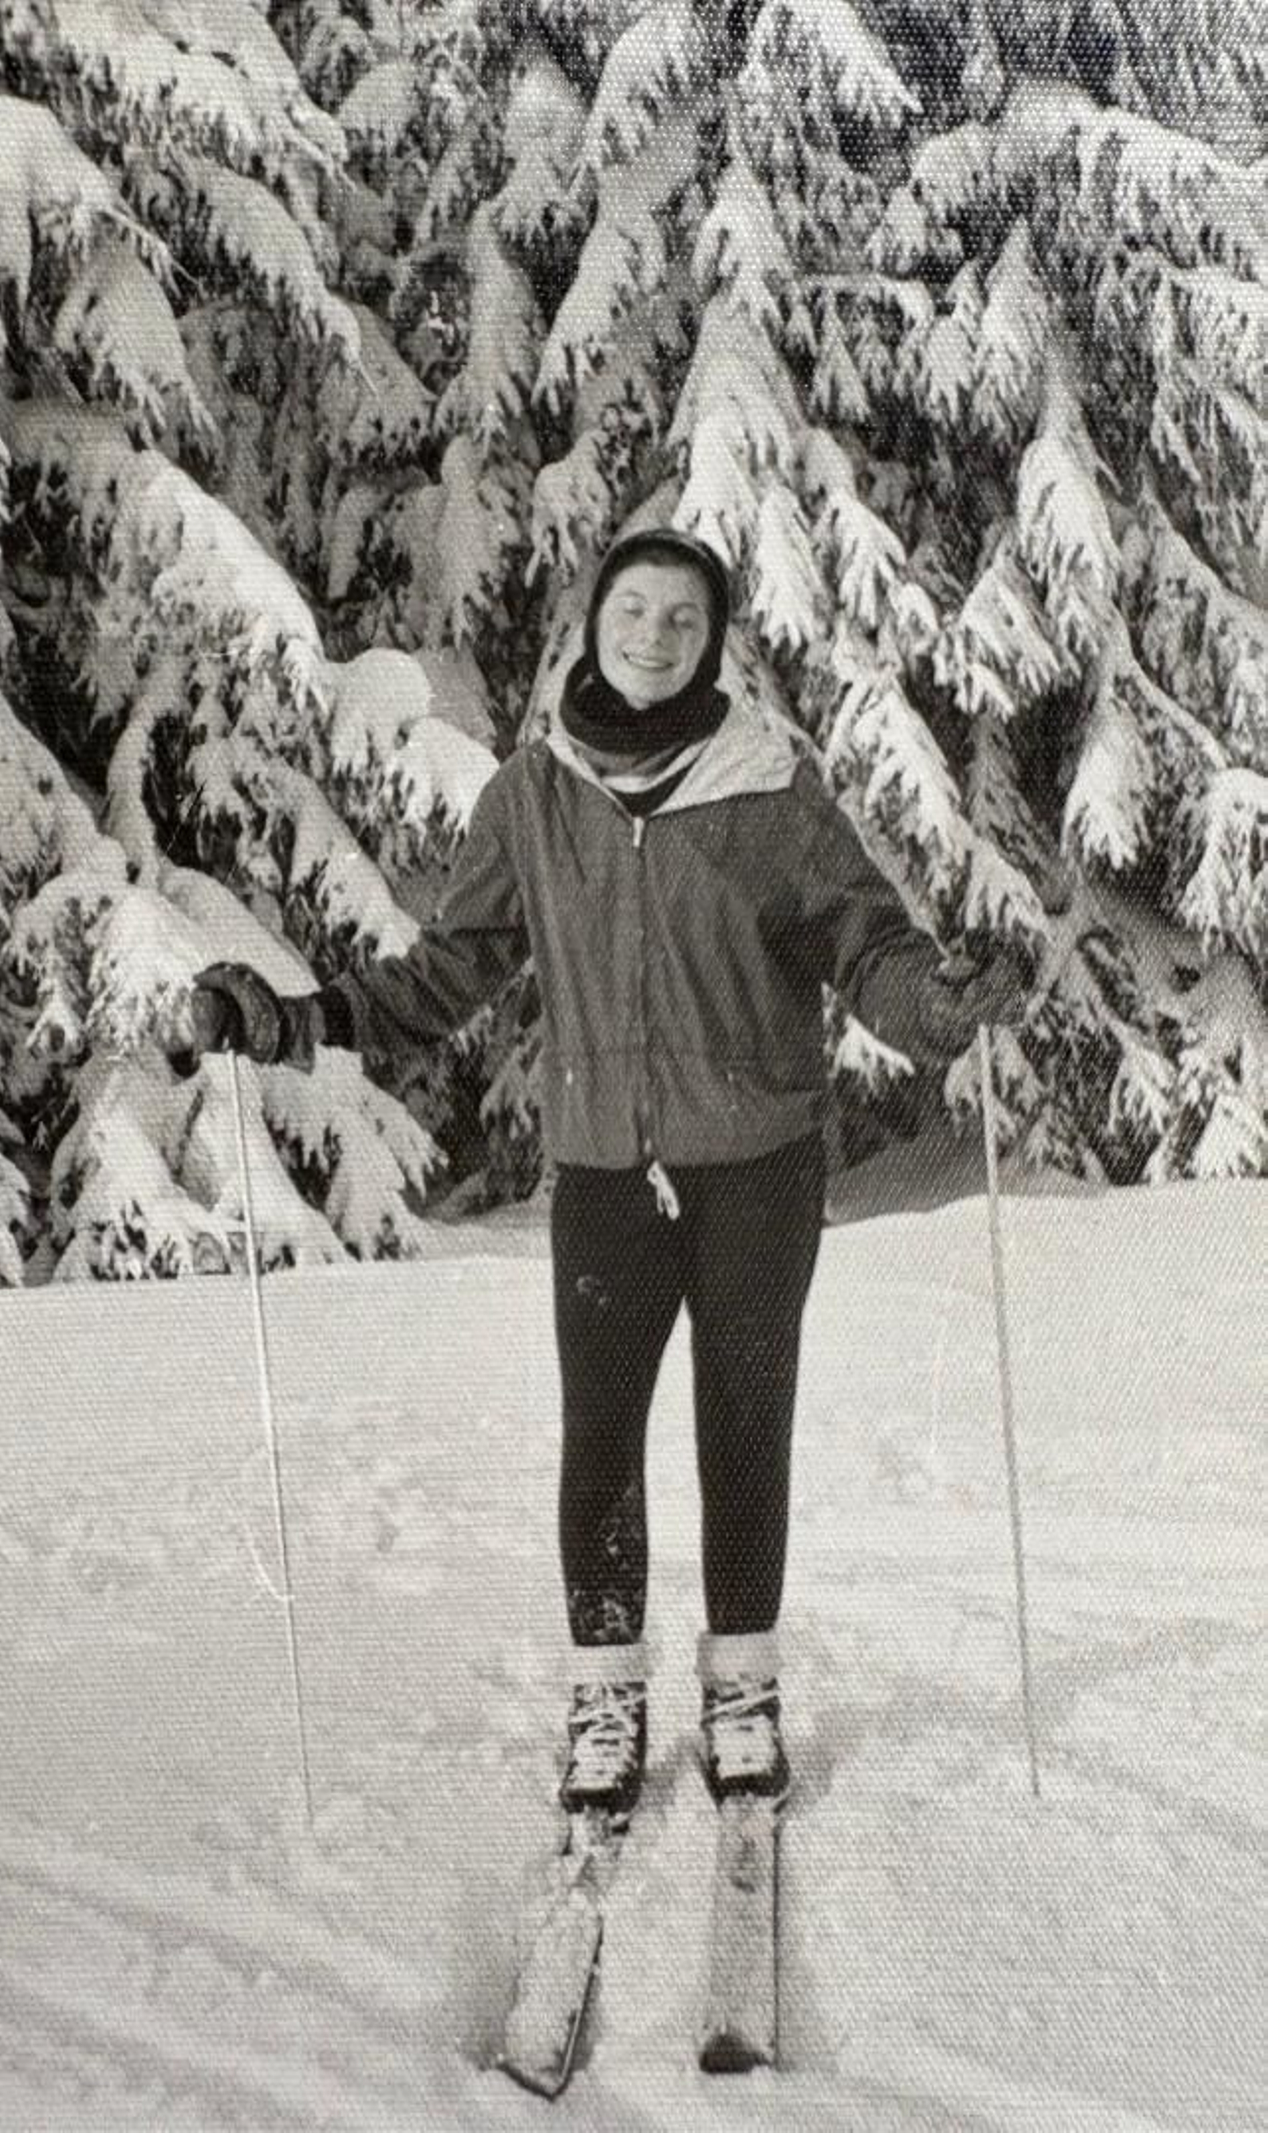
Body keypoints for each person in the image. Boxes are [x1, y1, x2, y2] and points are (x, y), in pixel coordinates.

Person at [185, 526, 1025, 1820]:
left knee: (746, 1427)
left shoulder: (769, 792)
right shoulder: (535, 792)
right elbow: (445, 978)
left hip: (758, 1167)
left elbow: (870, 951)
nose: (653, 636)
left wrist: (942, 1000)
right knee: (602, 1436)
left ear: (713, 639)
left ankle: (741, 1688)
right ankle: (606, 1694)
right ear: (595, 621)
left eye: (682, 619)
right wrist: (295, 1020)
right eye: (633, 610)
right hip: (607, 1176)